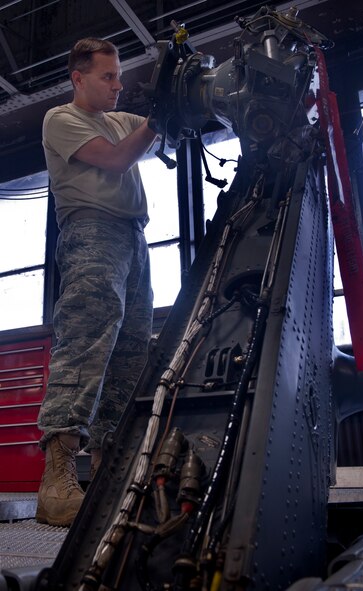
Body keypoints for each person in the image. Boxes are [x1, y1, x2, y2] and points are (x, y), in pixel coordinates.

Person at [36, 37, 157, 527]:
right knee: (86, 341)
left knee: (130, 353)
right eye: (107, 76)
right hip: (91, 231)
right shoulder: (61, 119)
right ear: (78, 78)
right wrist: (159, 118)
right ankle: (56, 479)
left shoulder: (122, 118)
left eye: (119, 76)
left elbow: (149, 135)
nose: (117, 85)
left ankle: (108, 474)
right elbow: (115, 159)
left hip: (133, 238)